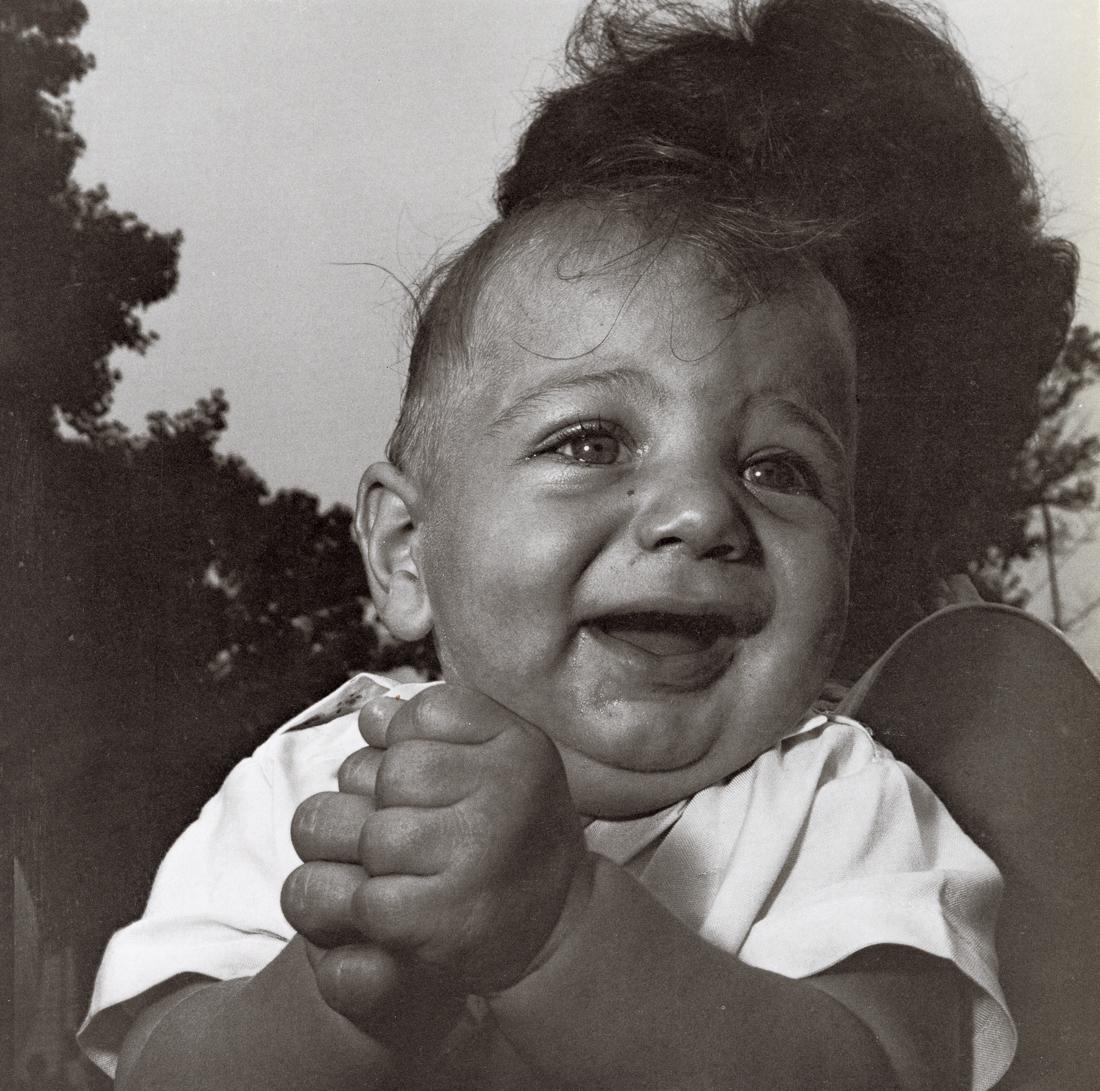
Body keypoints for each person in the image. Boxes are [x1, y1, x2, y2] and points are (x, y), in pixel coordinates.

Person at [78, 1, 1077, 1088]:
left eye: (779, 464)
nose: (698, 512)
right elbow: (162, 1064)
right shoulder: (318, 775)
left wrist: (558, 934)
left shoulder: (843, 798)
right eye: (593, 438)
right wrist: (339, 994)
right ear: (408, 551)